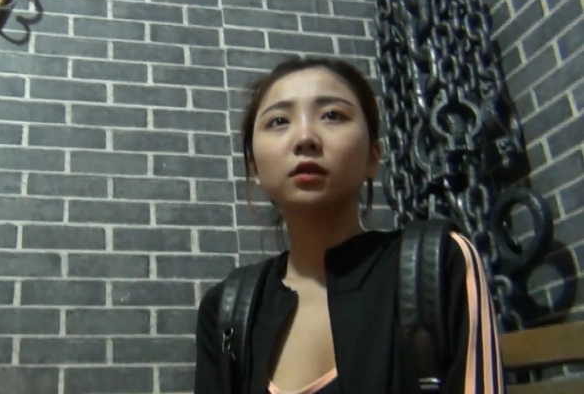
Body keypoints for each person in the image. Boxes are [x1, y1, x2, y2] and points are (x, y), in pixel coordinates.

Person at [193, 56, 505, 394]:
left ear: (373, 156)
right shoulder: (226, 309)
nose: (305, 138)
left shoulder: (438, 264)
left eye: (332, 115)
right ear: (254, 167)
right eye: (279, 121)